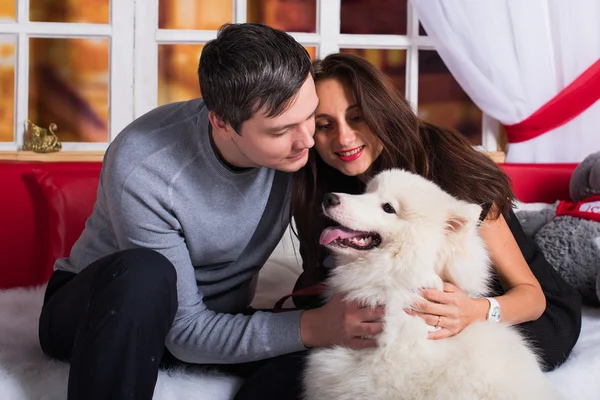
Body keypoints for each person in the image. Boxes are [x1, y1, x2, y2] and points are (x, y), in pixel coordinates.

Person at [37, 24, 382, 400]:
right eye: (281, 131)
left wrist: (457, 303)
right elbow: (183, 331)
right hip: (102, 314)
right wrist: (316, 326)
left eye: (310, 115)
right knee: (145, 273)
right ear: (220, 122)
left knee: (321, 365)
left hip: (218, 317)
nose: (308, 139)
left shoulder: (305, 140)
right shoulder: (145, 164)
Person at [291, 52, 582, 372]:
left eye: (357, 116)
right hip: (421, 307)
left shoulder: (450, 167)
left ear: (380, 112)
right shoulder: (323, 185)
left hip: (522, 310)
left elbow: (531, 296)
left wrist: (475, 311)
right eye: (324, 125)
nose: (343, 137)